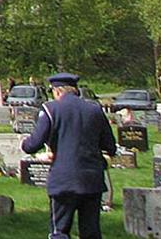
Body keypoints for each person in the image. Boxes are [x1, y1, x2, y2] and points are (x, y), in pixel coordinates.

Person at [21, 72, 116, 239]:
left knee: (60, 231)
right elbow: (110, 147)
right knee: (91, 232)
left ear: (57, 91)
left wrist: (27, 144)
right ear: (75, 90)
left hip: (63, 179)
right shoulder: (95, 110)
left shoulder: (51, 109)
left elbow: (32, 145)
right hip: (91, 179)